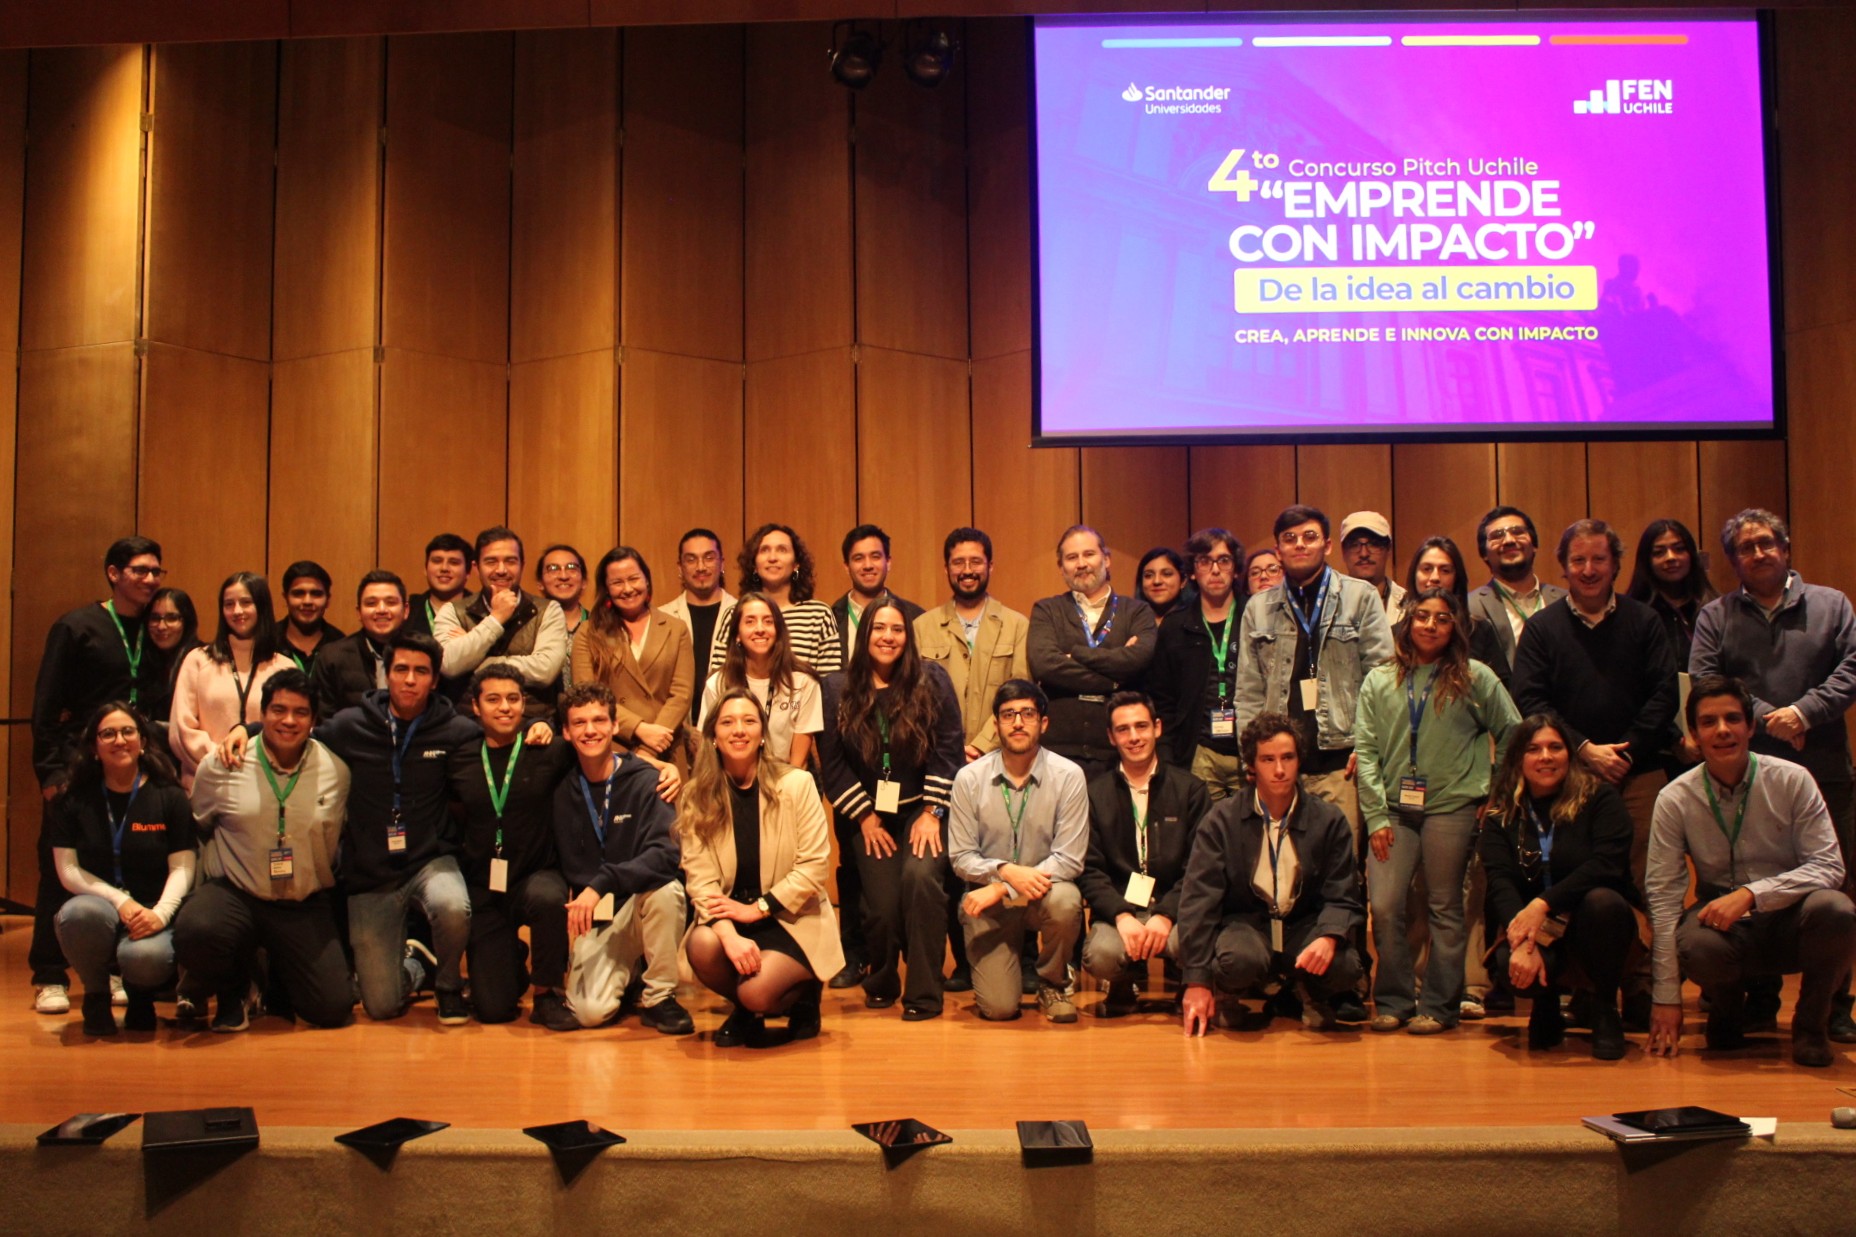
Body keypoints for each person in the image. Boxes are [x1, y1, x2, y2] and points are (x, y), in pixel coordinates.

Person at [1691, 508, 1856, 1039]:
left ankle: (1831, 1007)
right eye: (1745, 547)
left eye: (1766, 543)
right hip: (1747, 773)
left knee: (1835, 889)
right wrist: (1770, 720)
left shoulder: (1832, 604)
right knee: (1751, 874)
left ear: (1785, 547)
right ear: (1732, 559)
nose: (1758, 553)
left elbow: (1852, 667)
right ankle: (1758, 996)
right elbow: (1706, 677)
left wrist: (1805, 713)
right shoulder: (1716, 616)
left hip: (1824, 766)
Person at [1512, 518, 1678, 1030]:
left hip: (1640, 773)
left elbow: (1664, 695)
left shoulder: (1644, 621)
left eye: (1599, 559)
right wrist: (1584, 750)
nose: (1588, 569)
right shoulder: (1543, 628)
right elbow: (1531, 700)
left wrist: (1624, 752)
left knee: (1645, 882)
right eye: (1578, 560)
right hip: (1569, 779)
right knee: (1581, 883)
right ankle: (1588, 987)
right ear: (1563, 566)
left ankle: (1643, 987)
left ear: (1616, 565)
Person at [1647, 677, 1856, 1067]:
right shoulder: (1674, 799)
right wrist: (1666, 997)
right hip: (1722, 924)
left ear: (1751, 727)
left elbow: (1830, 866)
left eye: (1732, 719)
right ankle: (1727, 1010)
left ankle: (1811, 1025)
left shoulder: (1793, 780)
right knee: (1696, 944)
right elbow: (1663, 898)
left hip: (1791, 916)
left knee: (1837, 910)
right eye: (1708, 722)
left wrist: (1752, 894)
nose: (1722, 730)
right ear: (1694, 734)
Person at [1358, 589, 1519, 1034]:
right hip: (1393, 810)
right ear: (1407, 622)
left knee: (1445, 905)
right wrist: (1375, 816)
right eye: (1423, 616)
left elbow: (1513, 732)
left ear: (1455, 628)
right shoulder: (1379, 680)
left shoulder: (1476, 677)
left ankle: (1439, 1005)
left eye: (1442, 618)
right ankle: (1394, 1000)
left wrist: (1497, 790)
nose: (1431, 625)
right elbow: (1366, 751)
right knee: (1385, 905)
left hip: (1453, 806)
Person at [28, 536, 166, 1014]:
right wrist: (51, 773)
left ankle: (110, 968)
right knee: (59, 867)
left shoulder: (158, 627)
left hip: (136, 764)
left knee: (120, 861)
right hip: (79, 765)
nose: (149, 579)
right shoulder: (76, 626)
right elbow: (45, 707)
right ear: (113, 574)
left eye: (156, 572)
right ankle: (49, 975)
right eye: (140, 571)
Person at [177, 669, 353, 1032]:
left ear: (313, 720)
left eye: (300, 712)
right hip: (237, 894)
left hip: (301, 903)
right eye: (278, 710)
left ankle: (273, 976)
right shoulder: (223, 765)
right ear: (262, 714)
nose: (288, 721)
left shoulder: (335, 772)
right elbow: (201, 823)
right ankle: (233, 988)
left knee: (332, 1009)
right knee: (197, 929)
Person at [819, 602, 964, 1018]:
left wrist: (933, 811)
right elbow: (832, 764)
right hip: (869, 816)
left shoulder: (932, 679)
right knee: (881, 906)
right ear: (864, 633)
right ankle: (881, 980)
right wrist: (865, 818)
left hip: (924, 811)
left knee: (921, 883)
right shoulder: (836, 688)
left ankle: (924, 994)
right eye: (878, 628)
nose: (887, 637)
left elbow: (949, 747)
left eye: (897, 629)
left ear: (908, 636)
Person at [1178, 712, 1365, 1034]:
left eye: (1287, 757)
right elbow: (1199, 901)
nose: (1279, 769)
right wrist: (1197, 980)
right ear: (1252, 766)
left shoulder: (1329, 820)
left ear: (1299, 760)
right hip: (1247, 924)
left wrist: (1330, 935)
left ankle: (1304, 992)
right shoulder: (1221, 820)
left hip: (1302, 925)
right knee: (1239, 960)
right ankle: (1228, 993)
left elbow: (1344, 894)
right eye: (1268, 759)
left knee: (1346, 966)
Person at [682, 689, 842, 1046]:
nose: (739, 730)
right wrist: (729, 936)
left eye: (749, 721)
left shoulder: (797, 784)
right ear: (713, 736)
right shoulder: (696, 795)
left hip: (791, 915)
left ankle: (804, 995)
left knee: (757, 992)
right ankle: (747, 1012)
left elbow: (815, 867)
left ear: (763, 734)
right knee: (702, 945)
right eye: (728, 722)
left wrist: (759, 908)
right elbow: (700, 880)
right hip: (732, 913)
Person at [1479, 713, 1637, 1060]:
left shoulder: (1600, 799)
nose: (1546, 757)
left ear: (1570, 754)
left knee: (1605, 904)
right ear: (1518, 758)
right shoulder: (1501, 813)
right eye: (1534, 749)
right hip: (1536, 929)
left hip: (1589, 922)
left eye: (1555, 747)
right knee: (1509, 963)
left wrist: (1542, 905)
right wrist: (1521, 937)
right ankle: (1545, 1004)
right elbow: (1500, 880)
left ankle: (1605, 1006)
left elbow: (1606, 866)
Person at [1235, 504, 1395, 834]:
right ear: (1278, 550)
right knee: (1281, 859)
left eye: (1309, 537)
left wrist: (1370, 747)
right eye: (1290, 538)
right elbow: (1249, 691)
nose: (1300, 544)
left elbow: (1382, 681)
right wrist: (1249, 754)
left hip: (1341, 763)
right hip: (1280, 765)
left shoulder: (1360, 597)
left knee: (1339, 860)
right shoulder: (1258, 608)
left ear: (1327, 545)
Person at [553, 682, 691, 1033]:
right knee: (589, 1013)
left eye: (599, 720)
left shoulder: (647, 780)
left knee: (667, 892)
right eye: (579, 723)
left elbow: (666, 855)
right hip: (598, 919)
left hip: (638, 905)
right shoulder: (561, 789)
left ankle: (659, 996)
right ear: (566, 732)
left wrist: (603, 882)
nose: (590, 730)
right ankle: (630, 974)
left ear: (615, 726)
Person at [948, 680, 1089, 1023]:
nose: (1018, 722)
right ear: (996, 725)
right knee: (999, 1009)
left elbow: (1070, 859)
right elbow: (961, 857)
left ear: (1044, 722)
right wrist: (1004, 872)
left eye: (1027, 713)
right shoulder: (969, 779)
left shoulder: (1069, 776)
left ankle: (1053, 983)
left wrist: (1003, 885)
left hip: (1043, 895)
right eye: (1008, 714)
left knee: (1066, 900)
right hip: (990, 906)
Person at [49, 702, 195, 1035]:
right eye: (108, 734)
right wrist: (119, 900)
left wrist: (160, 914)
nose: (119, 740)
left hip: (150, 909)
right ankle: (96, 994)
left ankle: (140, 996)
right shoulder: (71, 798)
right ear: (94, 746)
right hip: (98, 906)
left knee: (147, 959)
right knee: (78, 915)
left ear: (142, 741)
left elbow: (184, 866)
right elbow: (68, 870)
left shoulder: (169, 796)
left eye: (128, 731)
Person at [447, 662, 578, 1030]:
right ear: (476, 707)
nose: (504, 707)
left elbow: (602, 757)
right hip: (485, 886)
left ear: (523, 704)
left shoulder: (548, 749)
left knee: (549, 899)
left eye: (513, 699)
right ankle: (510, 959)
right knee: (493, 1010)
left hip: (537, 874)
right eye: (493, 700)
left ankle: (547, 994)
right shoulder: (460, 759)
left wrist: (663, 768)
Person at [1079, 691, 1210, 1014]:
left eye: (1141, 726)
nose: (1134, 737)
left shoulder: (1191, 790)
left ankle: (1185, 982)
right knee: (1101, 954)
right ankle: (1122, 984)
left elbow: (1200, 868)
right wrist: (1121, 915)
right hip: (1120, 913)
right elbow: (1090, 869)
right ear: (1111, 737)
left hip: (1174, 913)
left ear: (1157, 728)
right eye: (1123, 729)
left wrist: (1166, 915)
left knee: (1195, 943)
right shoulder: (1095, 795)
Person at [1028, 525, 1158, 779]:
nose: (1081, 564)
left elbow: (1138, 661)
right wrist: (1115, 678)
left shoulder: (1138, 611)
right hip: (1058, 750)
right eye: (1071, 557)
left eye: (1089, 554)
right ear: (1061, 567)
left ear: (1106, 559)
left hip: (1120, 750)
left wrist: (1076, 654)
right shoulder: (1047, 610)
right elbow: (1044, 665)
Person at [572, 546, 695, 779]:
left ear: (646, 580)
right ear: (606, 588)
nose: (627, 589)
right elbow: (587, 694)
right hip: (614, 745)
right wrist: (638, 728)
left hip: (665, 745)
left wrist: (650, 746)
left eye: (633, 579)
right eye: (617, 582)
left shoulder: (675, 628)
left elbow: (682, 694)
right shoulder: (588, 632)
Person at [170, 572, 296, 789]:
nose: (237, 611)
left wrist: (254, 766)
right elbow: (181, 731)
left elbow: (294, 730)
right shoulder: (198, 660)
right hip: (206, 783)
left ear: (262, 607)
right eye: (229, 604)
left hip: (265, 785)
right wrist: (221, 759)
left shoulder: (285, 667)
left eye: (246, 603)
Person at [915, 527, 1031, 763]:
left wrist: (980, 746)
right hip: (938, 757)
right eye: (958, 562)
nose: (967, 570)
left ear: (990, 566)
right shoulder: (921, 627)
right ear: (946, 568)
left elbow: (1021, 694)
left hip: (1001, 756)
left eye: (976, 562)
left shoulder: (1017, 626)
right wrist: (950, 746)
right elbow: (914, 699)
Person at [1149, 527, 1247, 800]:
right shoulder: (1175, 626)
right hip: (1198, 750)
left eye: (1223, 560)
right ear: (1192, 571)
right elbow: (1163, 699)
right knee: (1204, 827)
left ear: (1236, 569)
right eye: (1205, 561)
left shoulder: (1254, 617)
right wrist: (1167, 756)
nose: (1215, 570)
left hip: (1248, 750)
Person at [433, 526, 568, 719]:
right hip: (468, 724)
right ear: (476, 567)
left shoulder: (548, 610)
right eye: (491, 562)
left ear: (522, 565)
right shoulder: (453, 611)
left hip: (533, 725)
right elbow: (448, 664)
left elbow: (545, 670)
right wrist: (496, 618)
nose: (501, 570)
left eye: (510, 561)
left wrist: (477, 659)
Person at [698, 592, 823, 768]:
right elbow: (707, 745)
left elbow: (799, 762)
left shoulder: (803, 683)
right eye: (750, 622)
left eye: (768, 621)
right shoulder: (718, 684)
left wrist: (783, 784)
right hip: (731, 778)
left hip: (787, 777)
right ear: (737, 634)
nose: (760, 629)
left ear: (778, 631)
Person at [707, 523, 842, 676]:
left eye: (782, 550)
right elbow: (719, 678)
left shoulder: (819, 615)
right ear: (754, 565)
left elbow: (830, 682)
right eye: (764, 550)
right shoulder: (734, 615)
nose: (772, 558)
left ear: (796, 564)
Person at [1467, 506, 1567, 676]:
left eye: (1517, 532)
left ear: (1534, 545)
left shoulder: (1565, 600)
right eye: (1497, 535)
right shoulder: (1470, 607)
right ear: (1484, 553)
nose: (1509, 540)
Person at [1401, 535, 1508, 684]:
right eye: (1427, 569)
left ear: (1457, 578)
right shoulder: (1398, 632)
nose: (1435, 577)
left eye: (1445, 570)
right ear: (1414, 575)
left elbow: (1501, 686)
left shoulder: (1479, 630)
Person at [311, 570, 410, 720]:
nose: (381, 610)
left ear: (406, 610)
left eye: (390, 602)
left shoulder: (423, 655)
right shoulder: (332, 657)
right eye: (371, 603)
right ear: (359, 612)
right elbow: (324, 720)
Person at [662, 528, 735, 723]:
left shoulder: (743, 615)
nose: (701, 567)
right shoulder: (662, 618)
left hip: (729, 727)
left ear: (722, 563)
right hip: (674, 729)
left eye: (709, 558)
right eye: (691, 559)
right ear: (680, 567)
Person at [1626, 518, 1719, 670]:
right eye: (1659, 552)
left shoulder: (1716, 609)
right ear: (1647, 561)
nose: (1671, 557)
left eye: (1679, 549)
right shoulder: (1633, 614)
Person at [831, 524, 924, 666]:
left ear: (888, 562)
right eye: (858, 558)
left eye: (875, 557)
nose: (868, 565)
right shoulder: (830, 619)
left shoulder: (915, 618)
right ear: (847, 567)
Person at [142, 585, 201, 756]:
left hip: (189, 756)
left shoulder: (203, 659)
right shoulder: (143, 660)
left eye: (172, 618)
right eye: (155, 618)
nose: (161, 626)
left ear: (186, 621)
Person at [536, 544, 591, 688]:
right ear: (540, 583)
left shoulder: (599, 625)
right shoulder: (530, 625)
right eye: (553, 569)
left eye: (572, 568)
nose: (563, 576)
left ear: (584, 581)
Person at [277, 560, 344, 676]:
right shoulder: (266, 642)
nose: (307, 601)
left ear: (328, 600)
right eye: (298, 593)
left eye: (316, 594)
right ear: (285, 598)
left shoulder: (342, 645)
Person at [407, 532, 476, 638]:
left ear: (468, 572)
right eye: (437, 561)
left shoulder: (482, 612)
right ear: (425, 569)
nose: (444, 568)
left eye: (454, 562)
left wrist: (472, 642)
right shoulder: (408, 611)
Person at [1340, 511, 1405, 614]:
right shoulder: (1326, 605)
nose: (1364, 554)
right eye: (1354, 545)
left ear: (1388, 549)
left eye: (1374, 544)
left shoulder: (1409, 606)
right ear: (1344, 552)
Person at [1137, 547, 1192, 624]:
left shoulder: (1195, 621)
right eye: (1148, 575)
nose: (1157, 581)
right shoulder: (1131, 620)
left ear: (1183, 581)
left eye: (1166, 574)